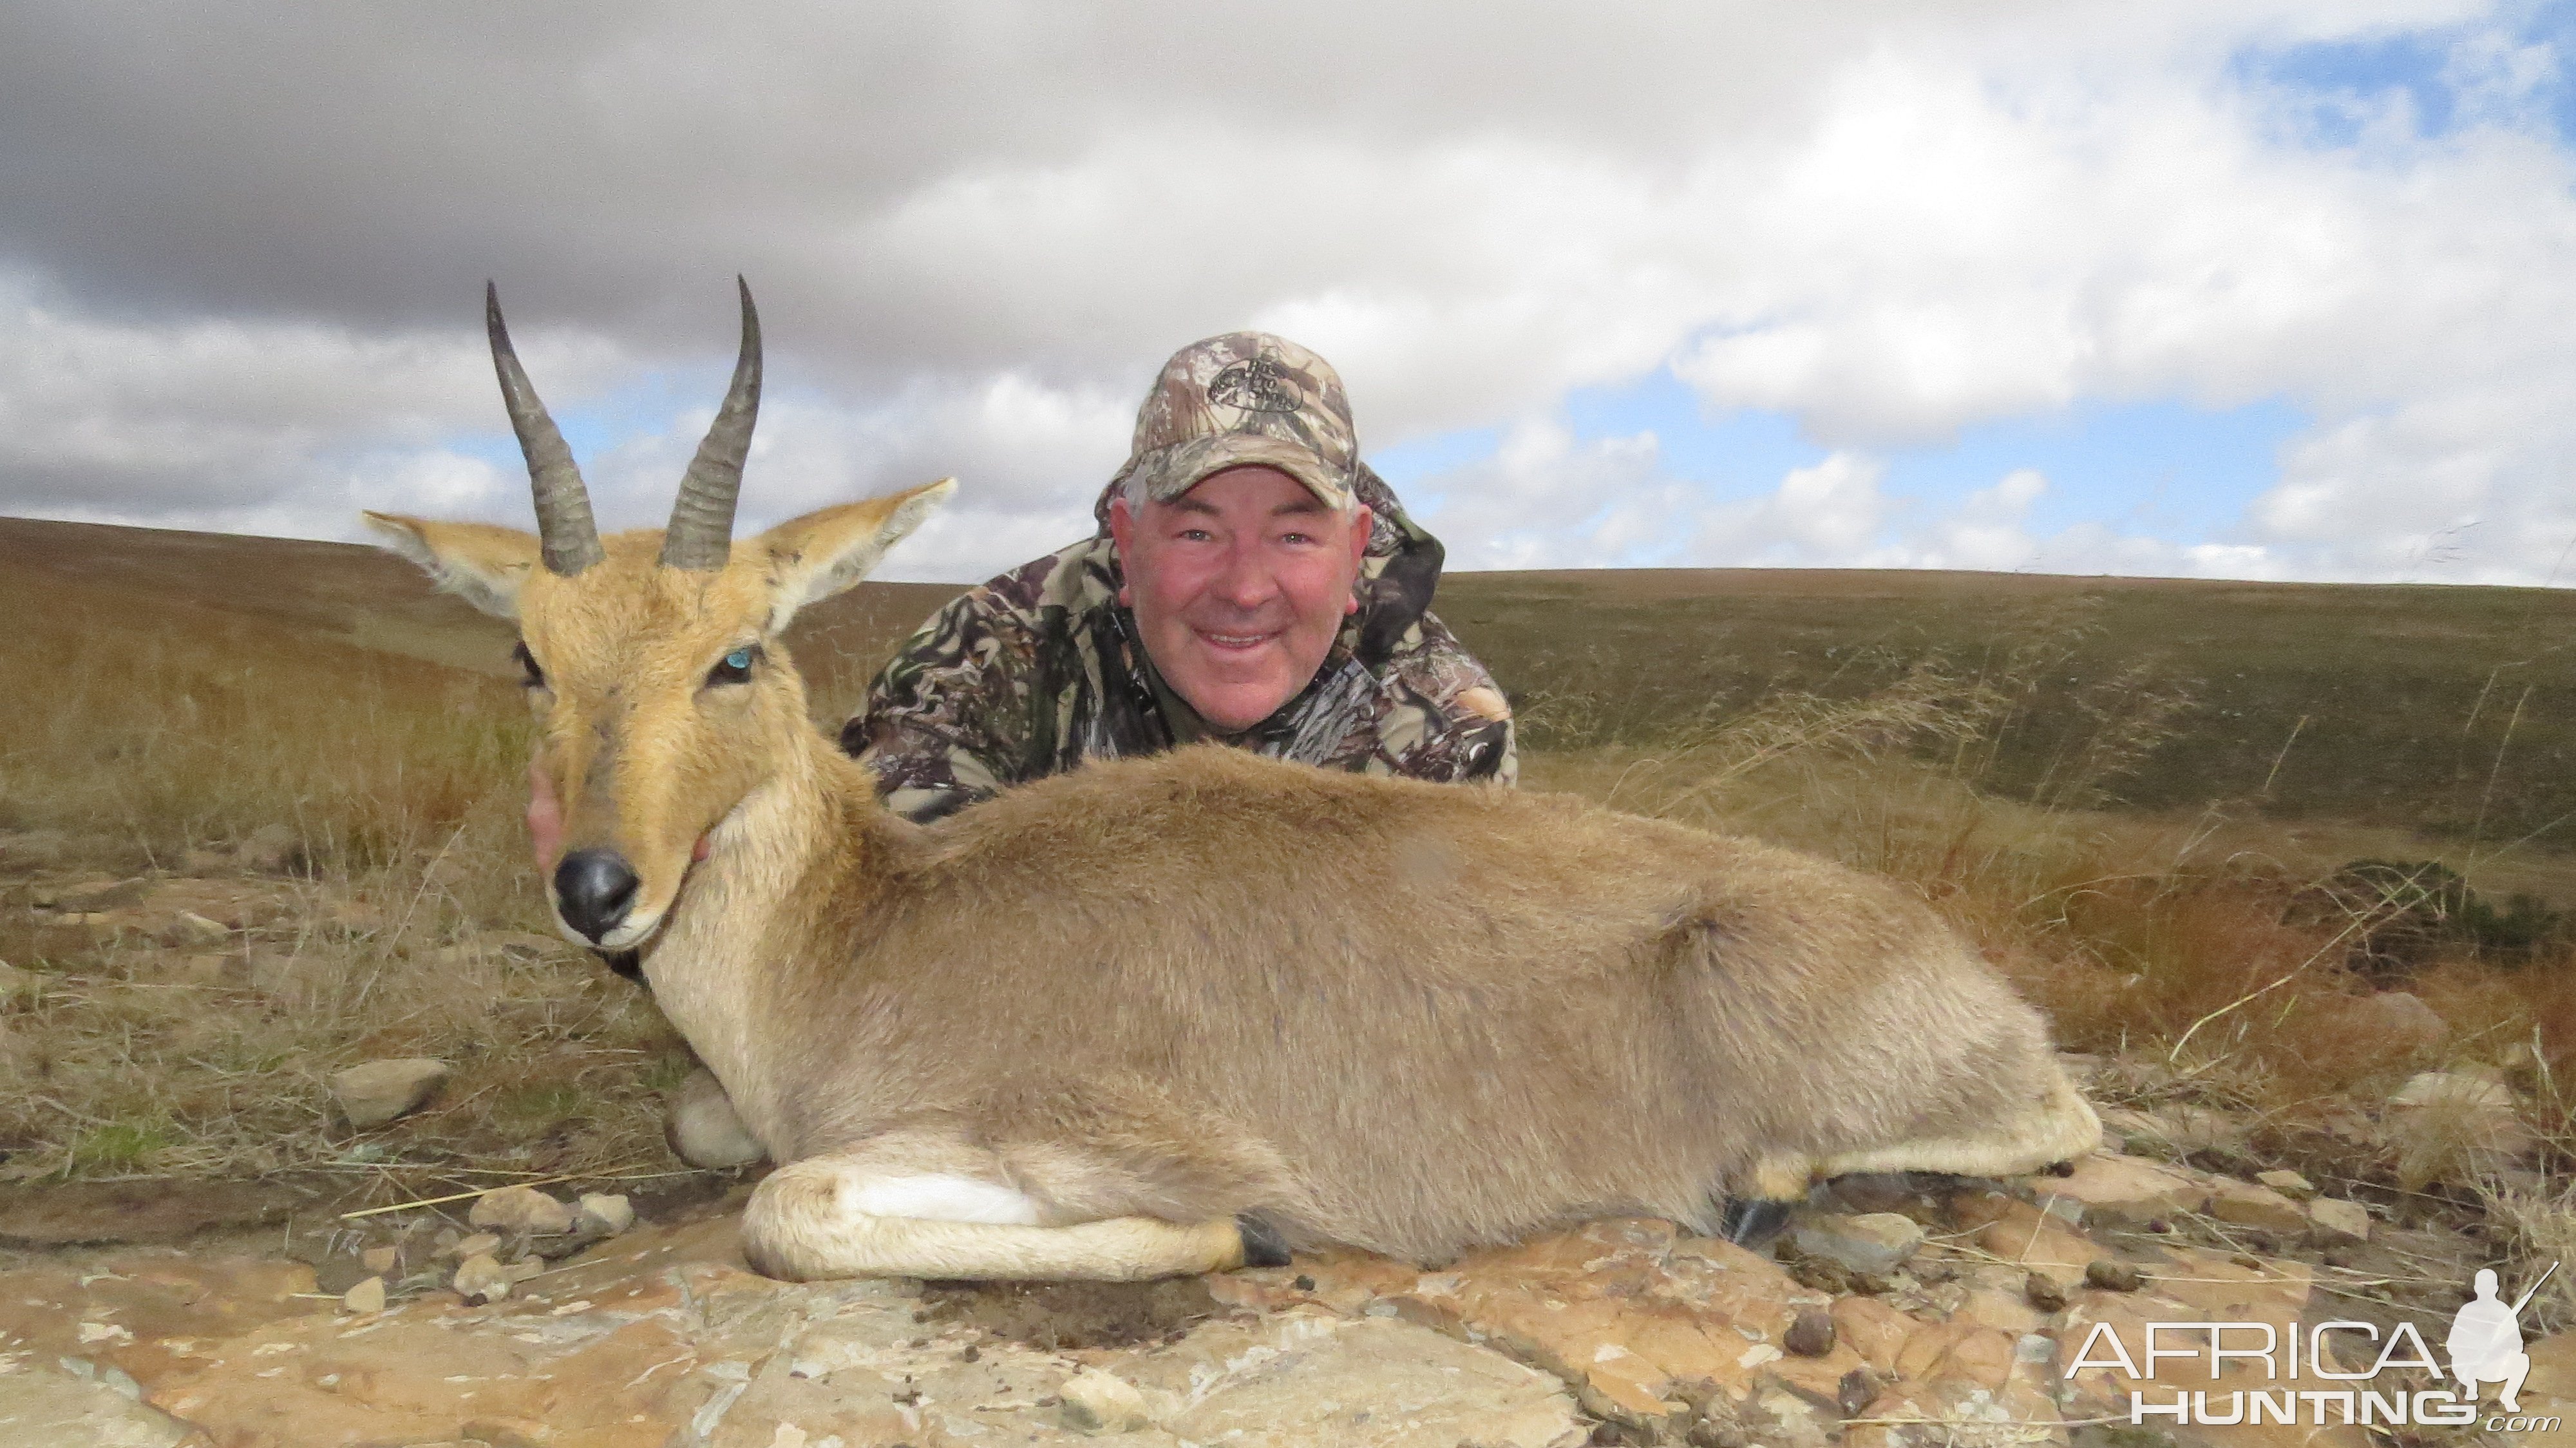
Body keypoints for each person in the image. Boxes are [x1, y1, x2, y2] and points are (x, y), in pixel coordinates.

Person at [844, 330, 1515, 821]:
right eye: (1198, 533)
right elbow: (900, 925)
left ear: (1354, 549)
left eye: (1293, 536)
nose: (1245, 589)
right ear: (1129, 541)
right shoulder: (978, 659)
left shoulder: (1444, 720)